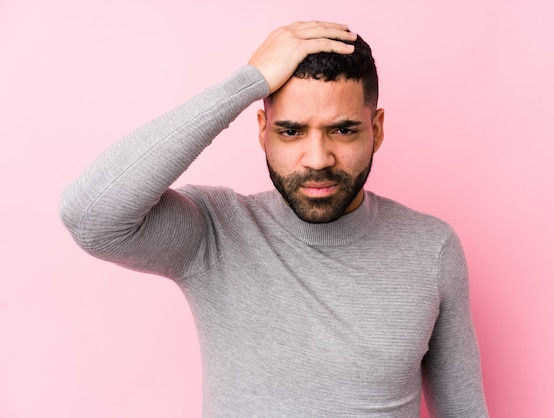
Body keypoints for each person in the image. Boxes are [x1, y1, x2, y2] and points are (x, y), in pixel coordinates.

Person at [59, 21, 488, 417]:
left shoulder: (432, 248)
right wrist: (248, 82)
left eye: (342, 130)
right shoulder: (214, 233)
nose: (318, 160)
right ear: (262, 130)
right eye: (291, 131)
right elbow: (90, 214)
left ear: (375, 129)